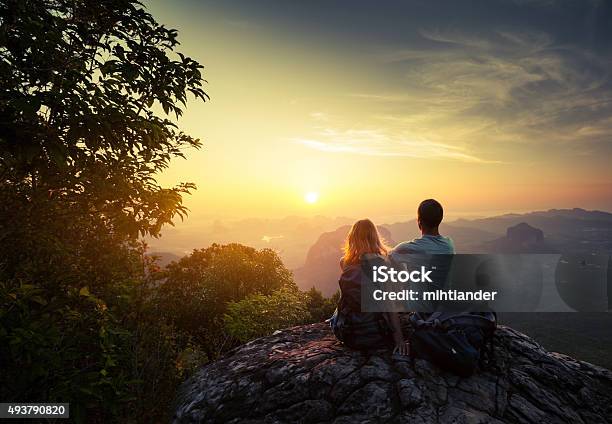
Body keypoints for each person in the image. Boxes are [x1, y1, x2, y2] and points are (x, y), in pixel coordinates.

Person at [331, 219, 409, 355]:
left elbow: (346, 298)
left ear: (352, 238)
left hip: (347, 334)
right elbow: (389, 304)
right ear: (375, 237)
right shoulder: (383, 264)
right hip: (375, 335)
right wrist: (399, 340)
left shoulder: (344, 262)